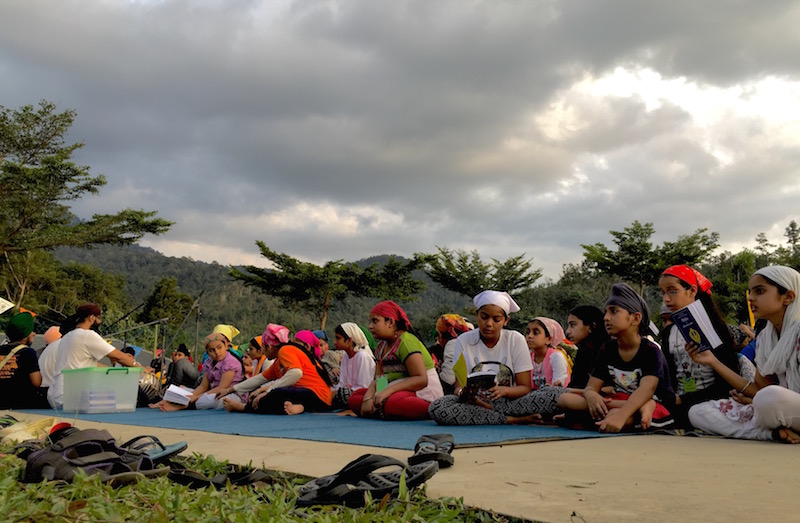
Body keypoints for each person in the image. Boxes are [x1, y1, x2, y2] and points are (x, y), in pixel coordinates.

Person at [688, 266, 800, 442]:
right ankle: (770, 434)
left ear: (788, 297)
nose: (750, 298)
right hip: (776, 409)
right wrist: (713, 361)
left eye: (759, 291)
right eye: (751, 292)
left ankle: (771, 427)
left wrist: (755, 402)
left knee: (769, 398)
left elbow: (764, 395)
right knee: (698, 412)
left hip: (781, 406)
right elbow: (758, 389)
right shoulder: (765, 337)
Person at [428, 291, 564, 426]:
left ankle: (495, 415)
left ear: (506, 321)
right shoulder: (463, 341)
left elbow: (525, 388)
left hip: (511, 402)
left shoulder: (515, 339)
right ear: (477, 315)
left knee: (553, 394)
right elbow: (458, 387)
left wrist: (504, 391)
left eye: (496, 319)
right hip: (475, 404)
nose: (489, 323)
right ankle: (512, 419)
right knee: (438, 407)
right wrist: (463, 393)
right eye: (484, 317)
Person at [557, 283, 675, 432]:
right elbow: (592, 386)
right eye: (606, 312)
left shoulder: (650, 350)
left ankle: (642, 408)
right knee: (564, 399)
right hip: (620, 400)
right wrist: (591, 395)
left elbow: (646, 389)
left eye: (613, 312)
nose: (606, 318)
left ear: (635, 318)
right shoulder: (608, 349)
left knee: (615, 415)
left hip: (654, 403)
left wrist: (620, 416)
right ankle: (613, 415)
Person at [658, 265, 740, 427]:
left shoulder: (714, 328)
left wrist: (686, 400)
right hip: (678, 402)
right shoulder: (669, 332)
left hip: (712, 403)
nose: (666, 299)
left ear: (692, 290)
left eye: (672, 291)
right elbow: (668, 375)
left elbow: (728, 381)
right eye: (663, 292)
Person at [349, 301, 443, 420]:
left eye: (375, 321)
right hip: (395, 391)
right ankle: (382, 408)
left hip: (420, 393)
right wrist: (369, 397)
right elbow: (380, 379)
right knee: (355, 397)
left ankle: (431, 410)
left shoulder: (406, 342)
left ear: (390, 322)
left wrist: (386, 392)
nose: (370, 326)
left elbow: (421, 380)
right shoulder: (382, 347)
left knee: (393, 403)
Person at [221, 329, 332, 415]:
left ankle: (243, 407)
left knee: (276, 394)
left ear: (269, 346)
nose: (263, 352)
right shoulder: (278, 362)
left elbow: (296, 373)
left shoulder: (285, 350)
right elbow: (259, 378)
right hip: (316, 400)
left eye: (263, 348)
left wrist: (269, 391)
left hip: (318, 397)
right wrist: (229, 390)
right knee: (264, 393)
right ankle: (300, 407)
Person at [48, 303, 137, 408]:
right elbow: (119, 357)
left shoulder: (68, 336)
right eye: (99, 318)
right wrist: (140, 367)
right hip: (70, 397)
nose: (100, 322)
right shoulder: (87, 335)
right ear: (91, 318)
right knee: (126, 399)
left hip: (55, 395)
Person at [150, 332, 243, 411]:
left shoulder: (230, 362)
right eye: (212, 350)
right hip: (212, 391)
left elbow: (222, 388)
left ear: (226, 346)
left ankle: (181, 405)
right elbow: (203, 386)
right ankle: (169, 401)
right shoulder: (209, 362)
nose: (217, 352)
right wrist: (191, 396)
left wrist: (195, 398)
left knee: (212, 400)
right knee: (181, 390)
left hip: (229, 394)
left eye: (219, 348)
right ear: (207, 352)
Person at [0, 312, 49, 409]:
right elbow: (36, 382)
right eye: (32, 331)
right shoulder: (28, 352)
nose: (33, 333)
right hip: (20, 404)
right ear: (27, 334)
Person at [331, 322, 375, 408]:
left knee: (344, 395)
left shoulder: (362, 357)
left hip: (365, 395)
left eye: (338, 338)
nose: (334, 342)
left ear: (349, 341)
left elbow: (364, 387)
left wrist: (343, 392)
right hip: (348, 393)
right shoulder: (345, 356)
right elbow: (342, 383)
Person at [565, 305, 609, 389]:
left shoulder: (608, 350)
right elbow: (576, 384)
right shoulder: (583, 351)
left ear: (591, 326)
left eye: (573, 325)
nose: (568, 331)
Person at [525, 317, 571, 389]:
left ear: (549, 339)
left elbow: (559, 383)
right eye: (528, 332)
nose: (529, 336)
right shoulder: (527, 356)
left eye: (535, 333)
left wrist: (556, 384)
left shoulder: (556, 357)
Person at [435, 314, 473, 395]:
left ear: (441, 335)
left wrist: (436, 375)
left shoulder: (453, 343)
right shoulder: (466, 341)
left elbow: (449, 379)